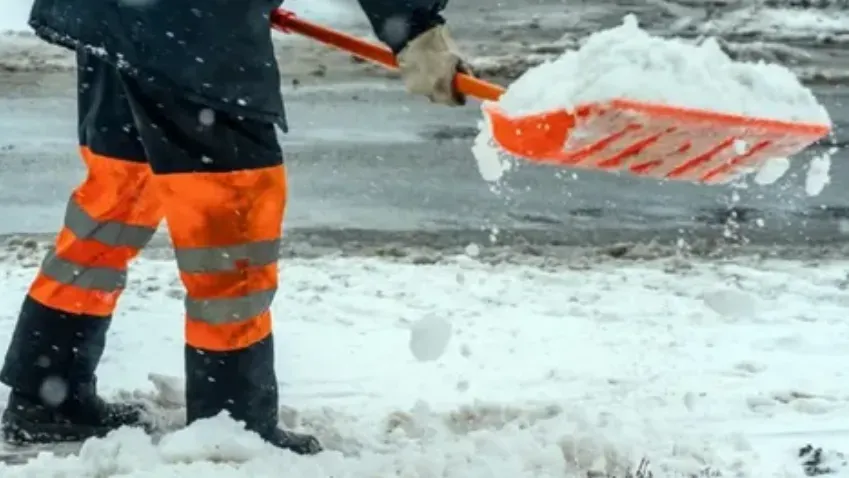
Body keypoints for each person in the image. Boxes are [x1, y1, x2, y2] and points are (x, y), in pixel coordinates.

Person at [0, 0, 469, 454]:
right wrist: (415, 28)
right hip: (191, 22)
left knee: (119, 191)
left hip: (113, 13)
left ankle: (47, 395)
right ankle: (230, 425)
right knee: (231, 212)